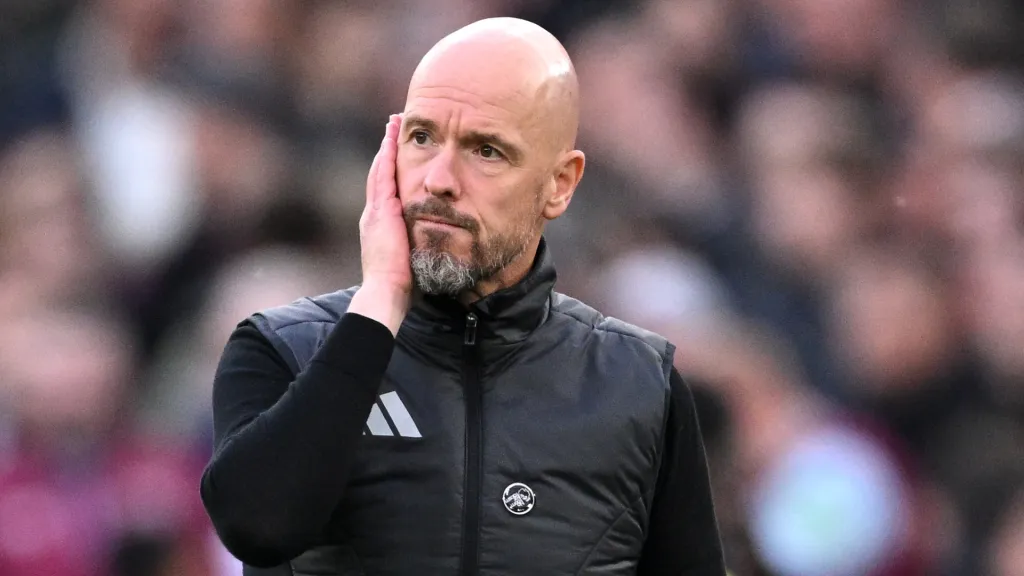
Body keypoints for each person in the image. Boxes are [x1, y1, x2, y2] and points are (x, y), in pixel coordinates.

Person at [200, 17, 726, 576]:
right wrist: (379, 305)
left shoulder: (639, 385)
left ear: (561, 184)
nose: (439, 179)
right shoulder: (283, 350)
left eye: (487, 150)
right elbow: (255, 526)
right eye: (422, 138)